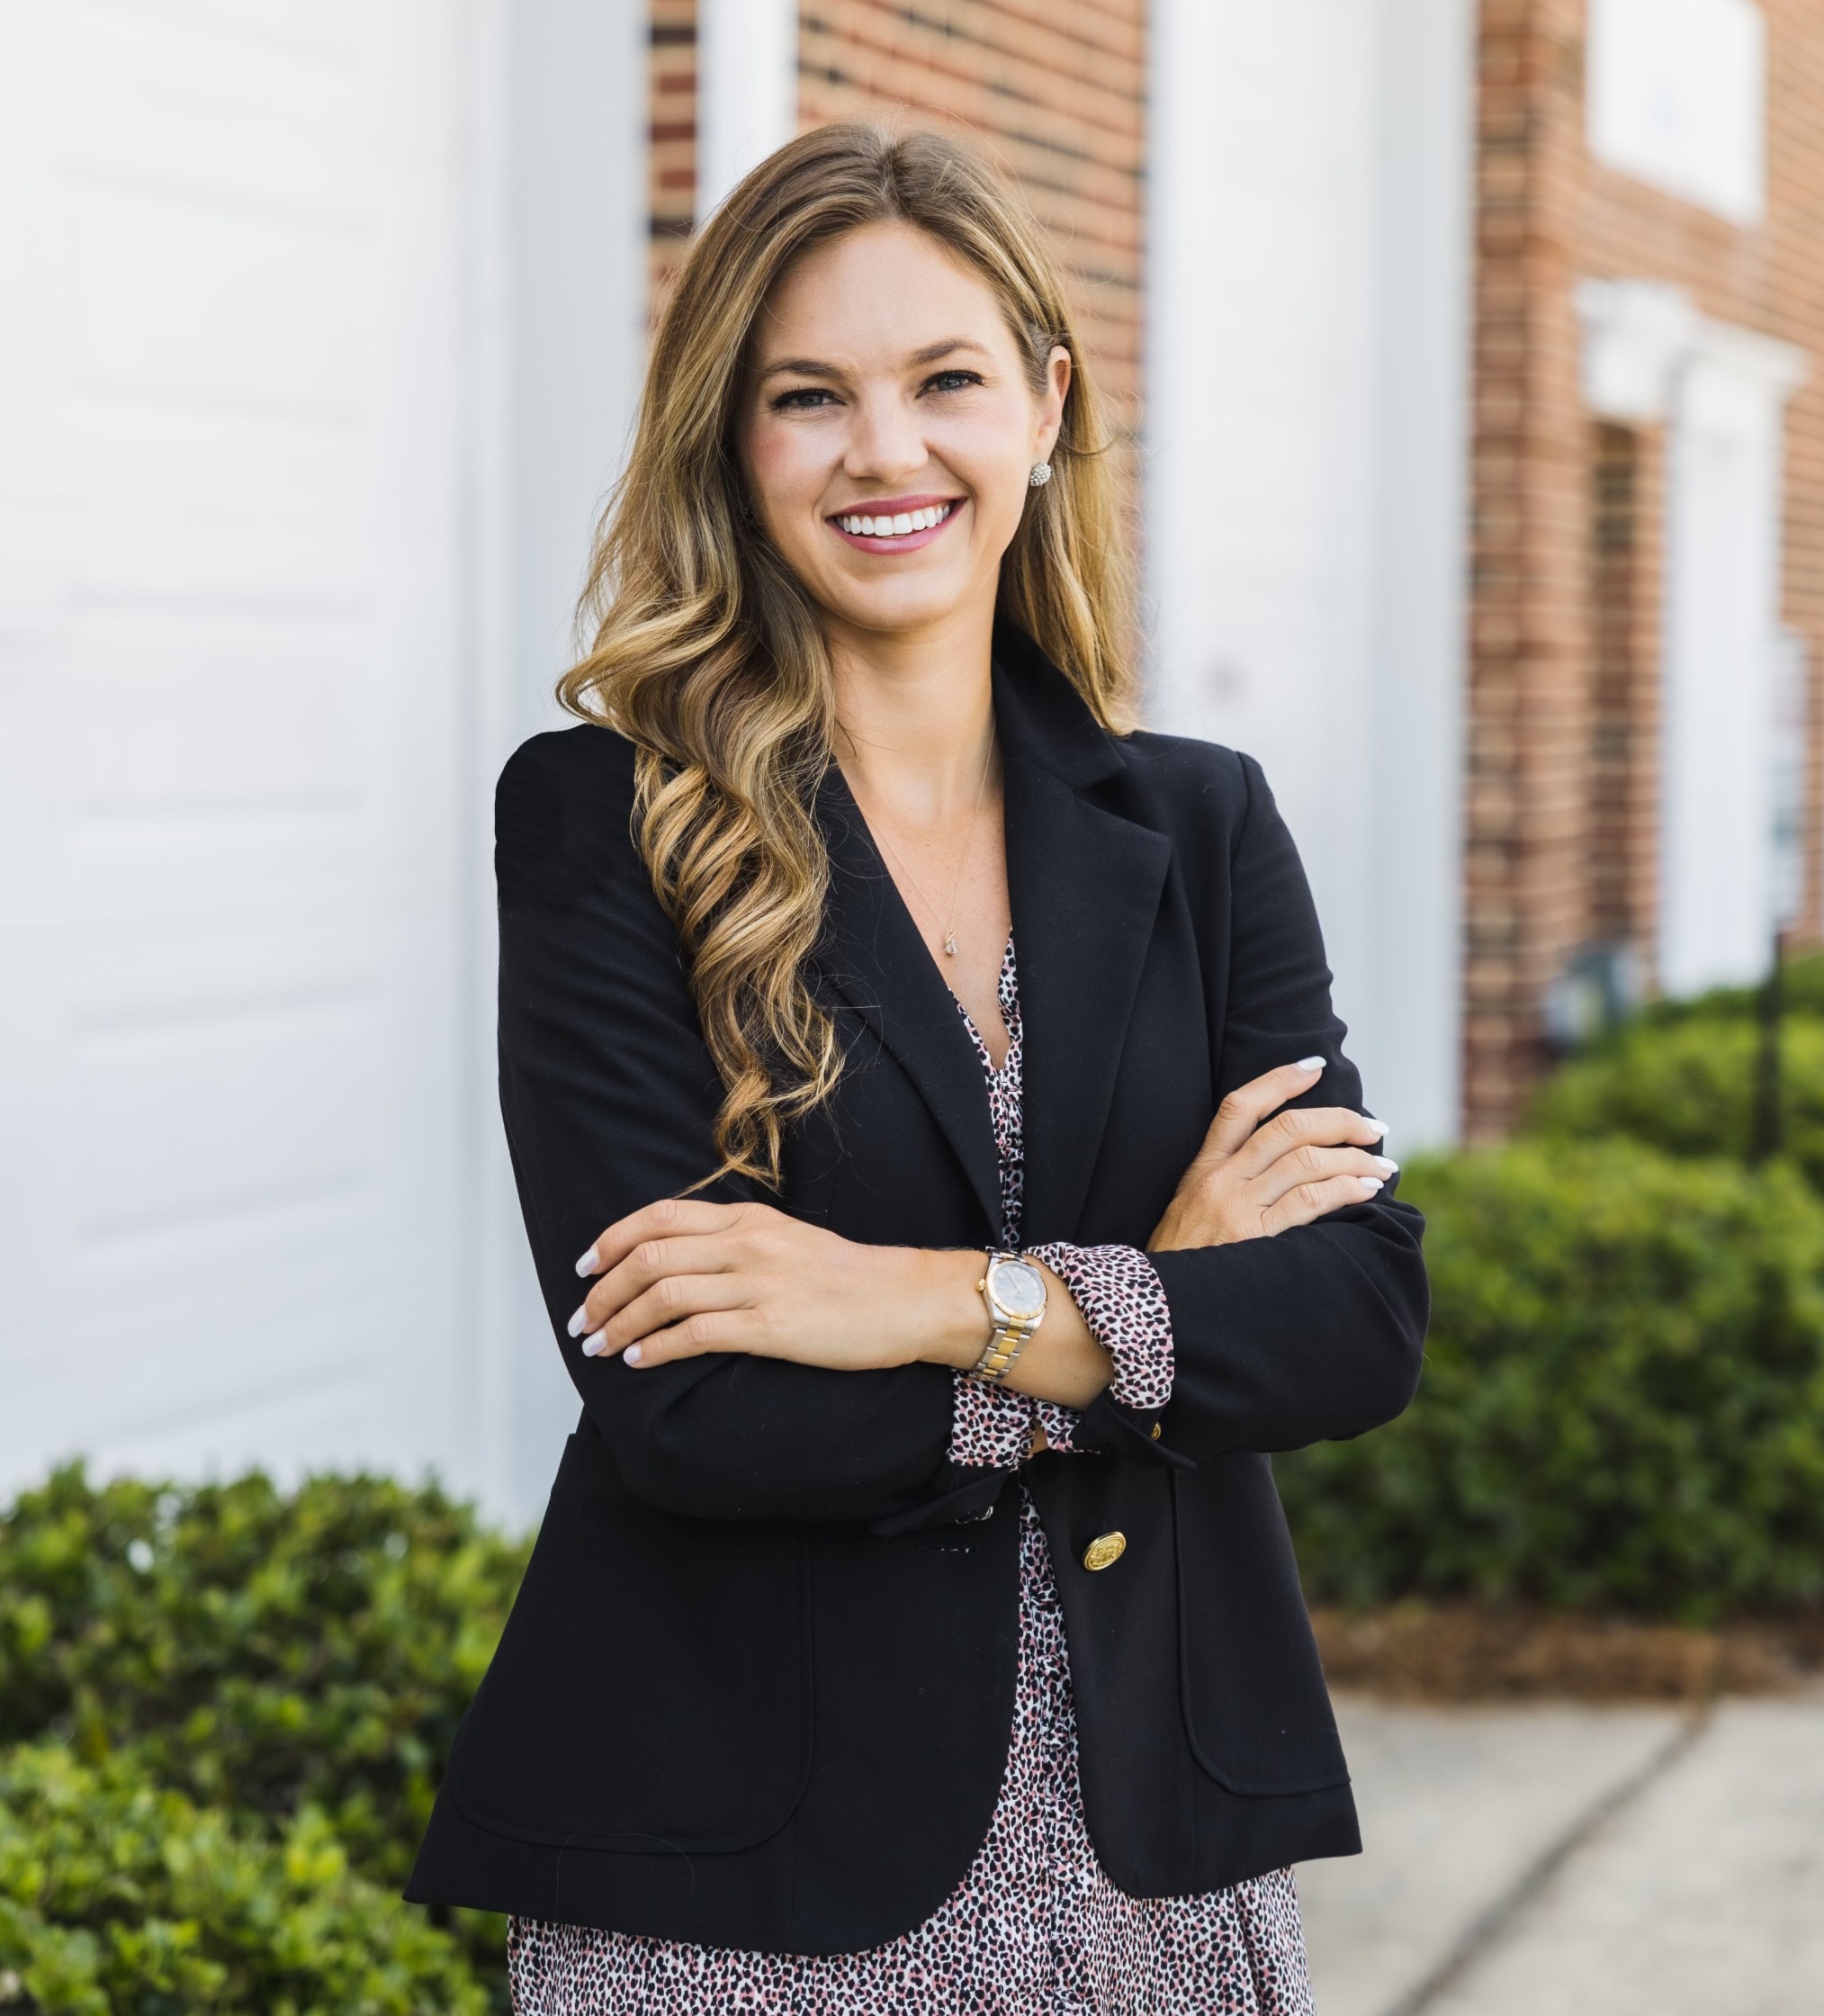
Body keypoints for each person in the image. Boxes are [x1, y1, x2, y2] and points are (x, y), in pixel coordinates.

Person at [406, 122, 1429, 2015]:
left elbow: (1358, 1315)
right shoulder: (603, 823)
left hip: (1153, 1863)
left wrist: (908, 1301)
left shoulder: (1198, 827)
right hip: (743, 1876)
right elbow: (692, 1406)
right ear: (733, 439)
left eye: (942, 380)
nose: (886, 450)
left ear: (1043, 405)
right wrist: (1158, 1306)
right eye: (810, 396)